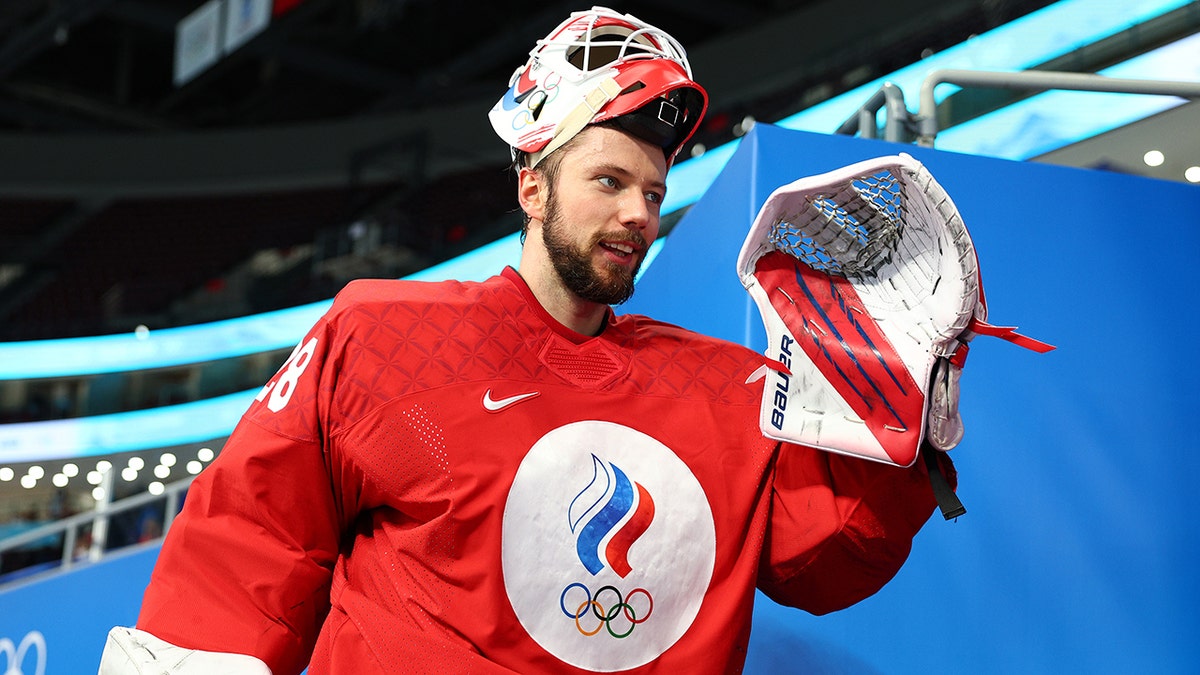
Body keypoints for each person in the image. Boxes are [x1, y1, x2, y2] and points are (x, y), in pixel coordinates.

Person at [99, 7, 949, 674]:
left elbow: (825, 559)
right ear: (532, 189)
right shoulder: (381, 338)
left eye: (652, 192)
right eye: (608, 182)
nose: (636, 215)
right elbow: (249, 545)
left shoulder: (725, 390)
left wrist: (901, 401)